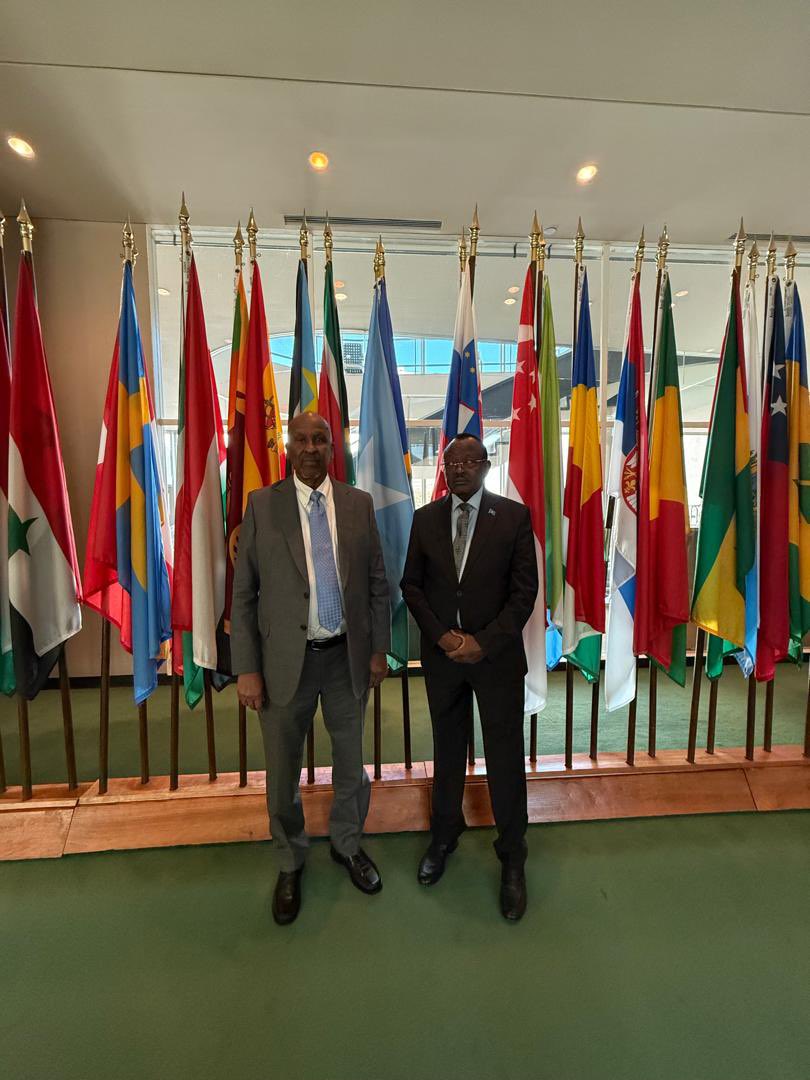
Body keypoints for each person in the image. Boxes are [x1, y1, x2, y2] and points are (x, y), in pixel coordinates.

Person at [231, 412, 390, 926]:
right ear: (288, 448)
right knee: (281, 774)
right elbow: (244, 596)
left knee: (351, 765)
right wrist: (247, 670)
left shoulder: (358, 504)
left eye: (320, 439)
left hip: (345, 660)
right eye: (300, 439)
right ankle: (290, 860)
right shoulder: (262, 506)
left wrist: (377, 650)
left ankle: (347, 845)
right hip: (282, 667)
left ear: (332, 447)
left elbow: (376, 585)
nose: (310, 448)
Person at [401, 434, 538, 920]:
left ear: (485, 465)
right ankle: (443, 837)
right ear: (444, 466)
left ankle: (513, 856)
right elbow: (411, 586)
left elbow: (525, 594)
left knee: (504, 756)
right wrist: (443, 638)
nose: (459, 468)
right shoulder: (425, 519)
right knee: (446, 748)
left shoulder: (514, 518)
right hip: (443, 660)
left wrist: (482, 641)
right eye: (452, 461)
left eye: (470, 461)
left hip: (495, 660)